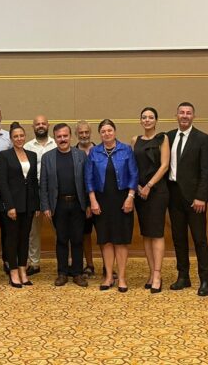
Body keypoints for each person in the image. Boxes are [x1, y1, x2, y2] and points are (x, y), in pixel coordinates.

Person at [166, 102, 208, 296]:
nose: (185, 116)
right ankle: (183, 276)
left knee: (199, 240)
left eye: (188, 113)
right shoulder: (168, 137)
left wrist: (201, 196)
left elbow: (207, 170)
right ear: (176, 115)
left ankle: (205, 280)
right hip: (173, 196)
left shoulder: (203, 138)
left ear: (194, 116)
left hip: (195, 199)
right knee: (178, 238)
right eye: (181, 112)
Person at [85, 119, 138, 293]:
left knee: (121, 240)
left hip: (122, 200)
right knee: (105, 240)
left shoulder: (126, 150)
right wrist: (92, 200)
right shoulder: (94, 152)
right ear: (99, 134)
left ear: (114, 132)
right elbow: (89, 178)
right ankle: (108, 276)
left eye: (109, 130)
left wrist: (130, 197)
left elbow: (134, 175)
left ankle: (121, 277)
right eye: (103, 131)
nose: (106, 134)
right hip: (101, 201)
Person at [40, 123, 89, 288]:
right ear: (55, 138)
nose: (62, 139)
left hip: (78, 203)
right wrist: (45, 206)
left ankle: (77, 273)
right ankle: (62, 273)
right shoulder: (48, 157)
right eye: (59, 136)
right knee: (61, 239)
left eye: (65, 136)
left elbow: (87, 181)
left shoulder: (80, 155)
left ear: (70, 137)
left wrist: (88, 204)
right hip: (58, 205)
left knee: (77, 239)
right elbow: (43, 184)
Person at [131, 107, 170, 293]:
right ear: (140, 121)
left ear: (156, 120)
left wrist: (148, 185)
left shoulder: (163, 139)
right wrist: (137, 186)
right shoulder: (134, 140)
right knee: (146, 233)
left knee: (156, 233)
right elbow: (132, 166)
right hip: (140, 192)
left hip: (157, 191)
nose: (147, 120)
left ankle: (157, 274)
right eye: (144, 117)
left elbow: (164, 166)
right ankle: (151, 271)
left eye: (151, 117)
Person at [0, 122, 39, 288]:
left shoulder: (32, 155)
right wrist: (10, 206)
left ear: (25, 136)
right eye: (15, 136)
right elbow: (2, 182)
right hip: (12, 205)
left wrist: (36, 205)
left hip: (28, 204)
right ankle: (13, 272)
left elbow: (33, 182)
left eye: (21, 135)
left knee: (24, 238)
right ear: (11, 138)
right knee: (12, 239)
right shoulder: (5, 155)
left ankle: (23, 270)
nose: (19, 138)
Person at [24, 115, 56, 276]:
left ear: (48, 125)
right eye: (37, 124)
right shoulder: (27, 147)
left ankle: (64, 262)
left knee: (60, 229)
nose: (41, 126)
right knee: (33, 231)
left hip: (53, 192)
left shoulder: (56, 144)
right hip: (34, 191)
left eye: (43, 123)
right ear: (33, 127)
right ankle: (34, 263)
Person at [75, 120, 96, 276]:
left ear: (90, 133)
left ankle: (108, 267)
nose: (84, 135)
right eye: (81, 132)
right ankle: (89, 265)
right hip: (81, 202)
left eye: (86, 132)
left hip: (101, 199)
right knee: (85, 234)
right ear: (76, 134)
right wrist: (87, 203)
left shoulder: (99, 150)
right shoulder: (73, 152)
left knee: (105, 235)